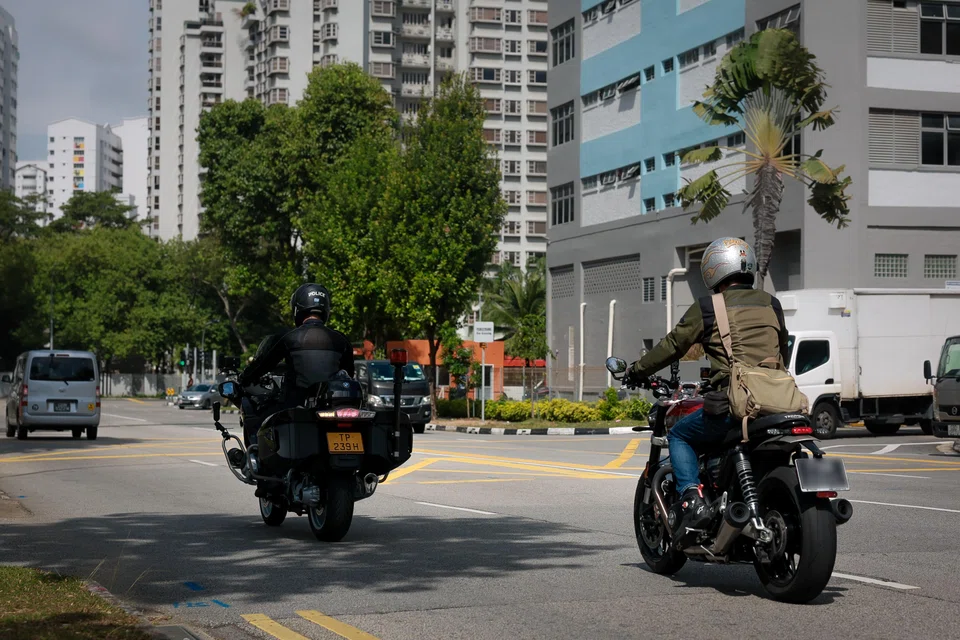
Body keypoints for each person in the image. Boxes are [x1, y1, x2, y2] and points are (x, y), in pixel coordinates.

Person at [626, 238, 790, 539]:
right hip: (780, 404)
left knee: (679, 434)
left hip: (733, 405)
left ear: (714, 268)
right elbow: (783, 352)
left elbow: (673, 345)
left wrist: (636, 370)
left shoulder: (709, 307)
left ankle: (692, 498)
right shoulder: (772, 304)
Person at [238, 283, 355, 454]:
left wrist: (245, 377)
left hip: (296, 406)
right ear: (326, 309)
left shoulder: (289, 338)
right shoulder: (341, 340)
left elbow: (262, 365)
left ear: (297, 309)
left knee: (257, 418)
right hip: (332, 408)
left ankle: (256, 459)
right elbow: (349, 374)